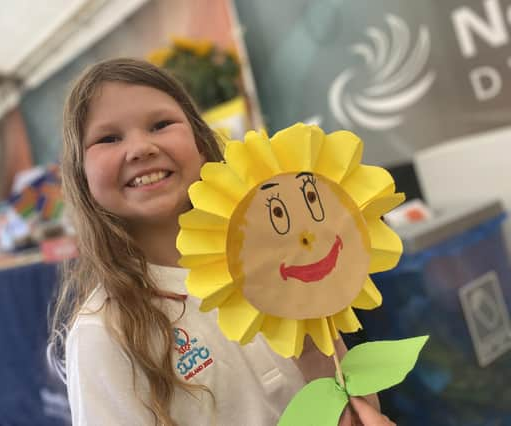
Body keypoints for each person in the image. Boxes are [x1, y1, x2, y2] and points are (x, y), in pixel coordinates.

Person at [48, 57, 394, 426]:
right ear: (80, 175)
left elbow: (343, 386)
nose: (140, 148)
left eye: (161, 124)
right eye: (108, 138)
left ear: (199, 140)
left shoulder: (282, 258)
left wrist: (359, 411)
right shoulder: (104, 332)